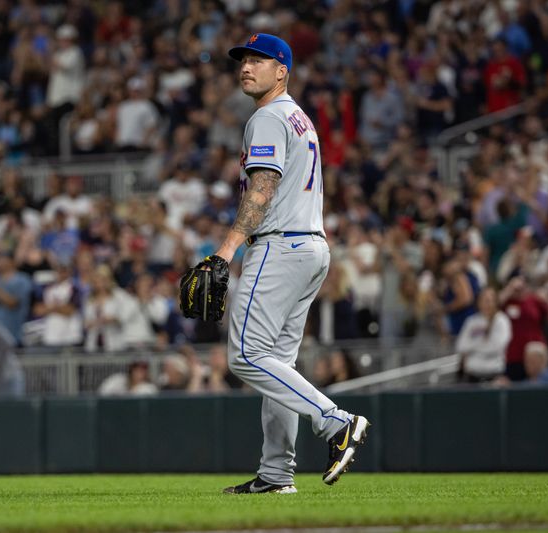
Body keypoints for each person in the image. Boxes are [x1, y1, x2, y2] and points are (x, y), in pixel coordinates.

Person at [207, 34, 369, 495]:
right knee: (277, 364)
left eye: (258, 60)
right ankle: (276, 475)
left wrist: (227, 248)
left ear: (282, 70)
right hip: (310, 246)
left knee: (245, 355)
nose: (246, 66)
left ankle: (336, 423)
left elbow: (262, 185)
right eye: (242, 59)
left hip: (278, 246)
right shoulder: (299, 118)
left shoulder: (269, 116)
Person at [455, 288, 512, 382]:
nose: (487, 303)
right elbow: (461, 346)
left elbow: (495, 347)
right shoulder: (471, 321)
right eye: (483, 300)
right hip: (472, 376)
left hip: (494, 375)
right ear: (478, 302)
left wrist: (472, 347)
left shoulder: (502, 321)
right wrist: (482, 343)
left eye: (489, 300)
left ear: (495, 302)